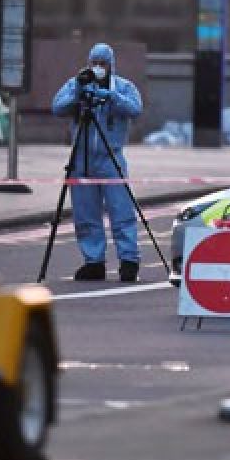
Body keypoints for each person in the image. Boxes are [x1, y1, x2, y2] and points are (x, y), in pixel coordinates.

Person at [51, 43, 144, 282]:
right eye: (95, 62)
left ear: (111, 65)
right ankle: (93, 261)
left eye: (103, 63)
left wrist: (111, 97)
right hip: (81, 158)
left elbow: (135, 108)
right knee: (85, 213)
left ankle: (129, 260)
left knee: (121, 210)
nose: (98, 67)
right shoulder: (77, 83)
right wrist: (78, 94)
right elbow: (57, 107)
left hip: (110, 156)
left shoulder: (123, 87)